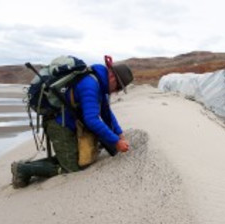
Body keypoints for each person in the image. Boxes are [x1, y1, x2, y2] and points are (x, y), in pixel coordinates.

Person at [11, 56, 134, 188]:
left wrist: (119, 134)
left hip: (68, 121)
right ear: (112, 77)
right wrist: (116, 141)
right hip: (58, 123)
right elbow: (91, 120)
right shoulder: (90, 85)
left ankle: (32, 166)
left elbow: (106, 113)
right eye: (118, 88)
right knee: (71, 168)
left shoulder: (99, 83)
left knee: (73, 156)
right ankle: (22, 169)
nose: (116, 92)